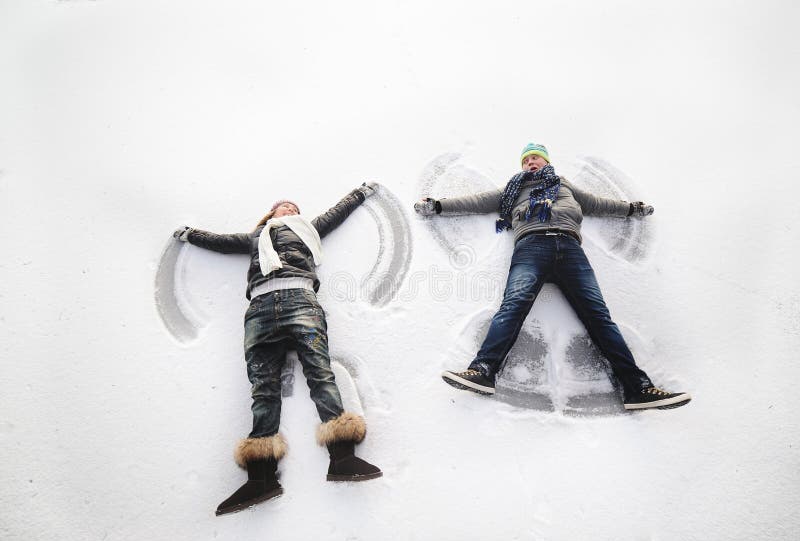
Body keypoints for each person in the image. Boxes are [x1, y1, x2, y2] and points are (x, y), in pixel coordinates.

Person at [414, 143, 691, 411]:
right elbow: (478, 201)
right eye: (525, 160)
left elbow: (598, 204)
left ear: (546, 161)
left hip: (570, 250)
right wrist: (438, 206)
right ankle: (483, 370)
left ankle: (638, 388)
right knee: (512, 307)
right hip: (531, 247)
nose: (530, 162)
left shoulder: (565, 185)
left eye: (535, 158)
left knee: (599, 317)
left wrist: (632, 209)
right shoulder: (514, 189)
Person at [173, 183, 382, 517]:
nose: (290, 209)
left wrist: (361, 192)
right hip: (259, 308)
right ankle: (261, 478)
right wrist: (189, 235)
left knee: (320, 372)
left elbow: (337, 212)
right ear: (271, 213)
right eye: (284, 206)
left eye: (295, 207)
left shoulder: (307, 229)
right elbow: (220, 242)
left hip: (301, 299)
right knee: (263, 388)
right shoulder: (256, 237)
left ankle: (343, 458)